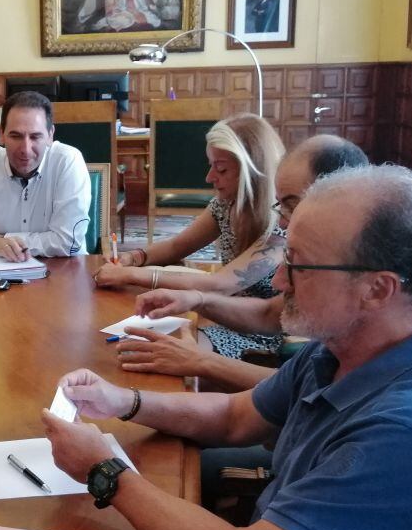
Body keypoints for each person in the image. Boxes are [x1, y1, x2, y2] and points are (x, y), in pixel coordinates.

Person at [43, 164, 412, 530]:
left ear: (378, 289)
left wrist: (105, 472)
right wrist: (122, 400)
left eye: (298, 264)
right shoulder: (347, 344)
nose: (277, 280)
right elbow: (237, 417)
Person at [116, 135, 368, 392]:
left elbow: (303, 392)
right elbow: (270, 313)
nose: (282, 222)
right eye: (281, 205)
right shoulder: (330, 257)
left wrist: (201, 362)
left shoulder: (357, 284)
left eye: (291, 205)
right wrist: (196, 300)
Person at [94, 113, 286, 359]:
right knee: (141, 344)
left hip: (258, 335)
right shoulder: (224, 205)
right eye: (211, 165)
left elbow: (219, 284)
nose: (209, 178)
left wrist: (130, 275)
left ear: (253, 171)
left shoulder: (280, 223)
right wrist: (134, 257)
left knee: (157, 353)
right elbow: (177, 246)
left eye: (221, 169)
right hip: (221, 317)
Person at [0, 91, 91, 261]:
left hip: (62, 271)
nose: (25, 149)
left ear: (50, 135)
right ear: (1, 135)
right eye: (16, 136)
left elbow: (68, 242)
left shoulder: (68, 161)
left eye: (35, 136)